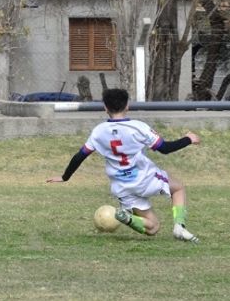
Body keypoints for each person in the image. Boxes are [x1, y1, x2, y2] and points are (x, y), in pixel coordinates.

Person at [46, 88, 201, 242]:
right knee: (178, 188)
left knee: (153, 228)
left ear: (105, 108)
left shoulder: (98, 132)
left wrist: (65, 177)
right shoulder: (138, 127)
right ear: (127, 106)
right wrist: (188, 139)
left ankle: (126, 217)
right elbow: (165, 148)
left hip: (122, 187)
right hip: (145, 179)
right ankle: (179, 226)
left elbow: (80, 156)